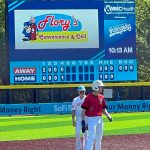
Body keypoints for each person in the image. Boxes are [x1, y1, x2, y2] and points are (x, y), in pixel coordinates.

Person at [81, 80, 112, 150]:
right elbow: (83, 110)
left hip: (100, 119)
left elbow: (103, 109)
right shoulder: (88, 97)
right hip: (91, 119)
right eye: (101, 87)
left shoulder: (102, 97)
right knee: (91, 138)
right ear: (96, 87)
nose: (102, 88)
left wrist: (108, 116)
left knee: (99, 138)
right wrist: (83, 121)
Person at [72, 85, 88, 150]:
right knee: (77, 134)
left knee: (86, 135)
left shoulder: (87, 98)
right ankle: (79, 148)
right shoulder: (75, 100)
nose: (81, 93)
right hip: (78, 118)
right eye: (80, 91)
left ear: (85, 91)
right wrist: (73, 119)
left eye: (83, 91)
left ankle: (86, 148)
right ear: (78, 92)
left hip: (86, 118)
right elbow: (73, 110)